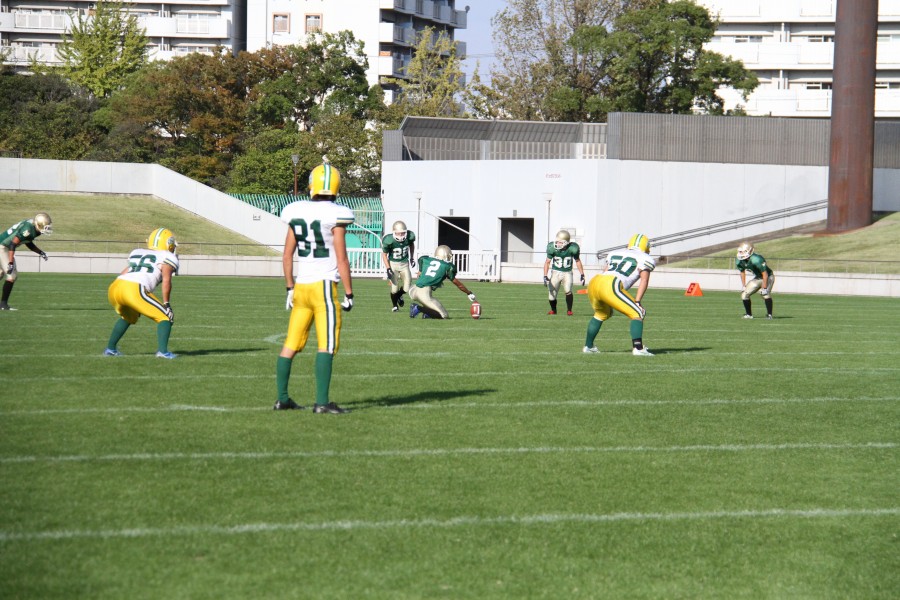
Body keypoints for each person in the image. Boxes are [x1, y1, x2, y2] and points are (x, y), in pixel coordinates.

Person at [275, 158, 355, 414]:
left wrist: (289, 287)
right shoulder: (336, 214)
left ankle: (282, 399)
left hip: (301, 287)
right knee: (326, 345)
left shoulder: (296, 211)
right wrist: (350, 293)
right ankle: (321, 402)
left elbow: (287, 255)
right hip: (323, 288)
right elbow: (342, 259)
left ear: (312, 185)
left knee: (290, 344)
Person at [104, 228, 179, 358]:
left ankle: (110, 349)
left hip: (116, 286)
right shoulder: (167, 256)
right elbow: (166, 280)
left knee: (129, 317)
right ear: (169, 243)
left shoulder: (137, 252)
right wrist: (166, 303)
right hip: (133, 288)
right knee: (166, 316)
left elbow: (126, 272)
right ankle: (163, 352)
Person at [583, 233, 655, 356]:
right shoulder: (645, 258)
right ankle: (638, 348)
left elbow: (606, 271)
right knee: (638, 312)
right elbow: (644, 280)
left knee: (601, 314)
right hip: (611, 283)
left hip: (595, 281)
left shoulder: (615, 253)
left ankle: (588, 347)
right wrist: (637, 301)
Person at [0, 212, 52, 310]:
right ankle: (3, 305)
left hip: (4, 246)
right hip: (3, 246)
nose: (47, 229)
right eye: (45, 227)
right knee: (12, 276)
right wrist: (10, 263)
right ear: (39, 224)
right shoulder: (28, 229)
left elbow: (28, 242)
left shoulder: (33, 228)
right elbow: (12, 244)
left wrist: (40, 252)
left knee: (1, 273)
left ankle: (2, 305)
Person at [408, 245, 477, 319]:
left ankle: (428, 314)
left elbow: (421, 259)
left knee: (431, 304)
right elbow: (458, 284)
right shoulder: (447, 266)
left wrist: (420, 270)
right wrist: (468, 293)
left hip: (413, 289)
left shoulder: (426, 259)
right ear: (445, 255)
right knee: (443, 315)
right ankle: (418, 308)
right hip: (424, 292)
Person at [543, 230, 585, 316]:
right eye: (557, 241)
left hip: (567, 272)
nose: (558, 243)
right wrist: (545, 275)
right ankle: (553, 310)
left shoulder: (573, 248)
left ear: (566, 242)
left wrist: (582, 274)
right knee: (551, 295)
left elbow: (577, 261)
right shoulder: (552, 247)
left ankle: (569, 310)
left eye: (560, 242)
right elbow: (547, 262)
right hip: (555, 272)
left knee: (568, 290)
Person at [381, 220, 416, 312]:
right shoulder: (388, 240)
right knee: (394, 289)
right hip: (393, 264)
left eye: (402, 233)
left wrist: (412, 258)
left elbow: (411, 245)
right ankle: (395, 306)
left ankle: (399, 296)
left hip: (404, 264)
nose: (400, 235)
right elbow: (384, 255)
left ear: (406, 232)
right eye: (398, 233)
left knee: (407, 288)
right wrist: (388, 268)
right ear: (394, 232)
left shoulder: (410, 236)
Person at [736, 241, 774, 319]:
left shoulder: (757, 259)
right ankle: (749, 315)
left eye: (743, 251)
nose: (741, 253)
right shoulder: (739, 260)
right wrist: (743, 285)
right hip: (758, 278)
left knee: (764, 294)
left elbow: (765, 274)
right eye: (740, 251)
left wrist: (764, 288)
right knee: (744, 295)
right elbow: (742, 272)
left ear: (749, 250)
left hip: (768, 277)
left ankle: (769, 315)